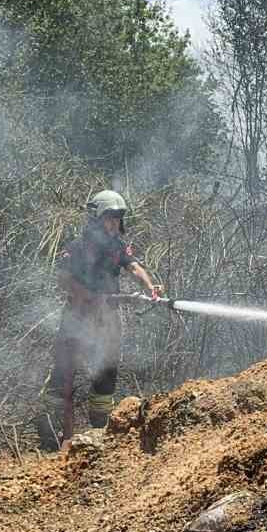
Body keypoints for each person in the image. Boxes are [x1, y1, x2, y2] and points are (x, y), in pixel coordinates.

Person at [40, 189, 163, 448]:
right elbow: (63, 278)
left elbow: (134, 267)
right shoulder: (78, 246)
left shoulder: (118, 246)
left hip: (106, 319)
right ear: (96, 218)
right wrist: (88, 296)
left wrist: (149, 287)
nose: (113, 224)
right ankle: (53, 437)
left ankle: (100, 433)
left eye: (118, 219)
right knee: (64, 374)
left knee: (106, 372)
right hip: (77, 317)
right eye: (109, 218)